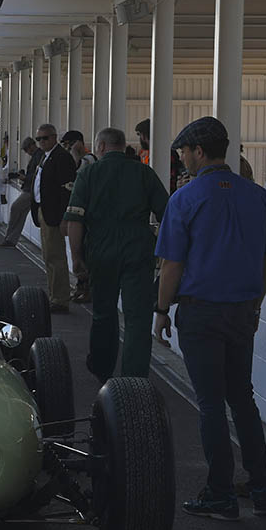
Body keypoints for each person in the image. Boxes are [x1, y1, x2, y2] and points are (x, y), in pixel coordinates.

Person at [151, 116, 266, 519]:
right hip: (242, 313)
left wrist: (160, 310)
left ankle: (220, 492)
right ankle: (262, 488)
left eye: (184, 152)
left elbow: (172, 264)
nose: (182, 160)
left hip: (201, 312)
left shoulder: (184, 199)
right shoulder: (259, 197)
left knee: (210, 405)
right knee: (242, 399)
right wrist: (256, 305)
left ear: (199, 152)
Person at [64, 127, 167, 377]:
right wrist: (163, 255)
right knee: (137, 320)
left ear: (100, 147)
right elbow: (168, 216)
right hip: (138, 251)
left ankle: (102, 369)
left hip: (100, 251)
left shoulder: (88, 174)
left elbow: (75, 222)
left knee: (103, 314)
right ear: (122, 146)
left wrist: (77, 259)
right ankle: (134, 378)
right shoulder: (144, 172)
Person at [31, 124, 78, 311]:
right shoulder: (45, 157)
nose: (41, 142)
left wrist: (63, 217)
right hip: (44, 211)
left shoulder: (61, 158)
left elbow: (67, 190)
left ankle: (60, 299)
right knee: (48, 256)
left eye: (45, 138)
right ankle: (54, 295)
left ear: (54, 138)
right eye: (38, 139)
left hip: (53, 214)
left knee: (56, 256)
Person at [0, 137, 42, 248]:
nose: (27, 152)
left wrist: (24, 177)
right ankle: (11, 239)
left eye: (27, 150)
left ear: (31, 146)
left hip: (30, 190)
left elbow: (38, 176)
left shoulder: (38, 156)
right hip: (31, 190)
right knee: (21, 214)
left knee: (15, 208)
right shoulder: (38, 156)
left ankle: (9, 238)